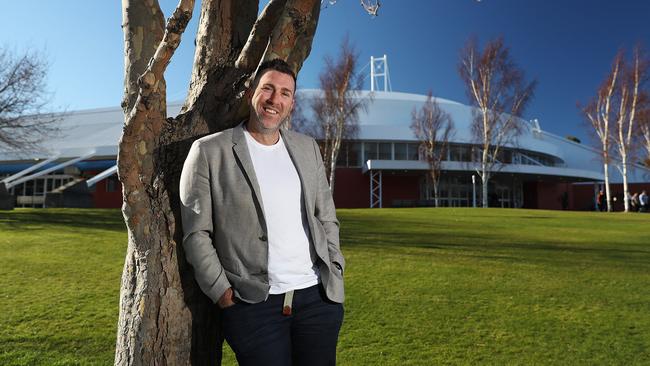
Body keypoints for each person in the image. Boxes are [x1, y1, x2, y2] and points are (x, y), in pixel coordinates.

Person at [179, 59, 345, 366]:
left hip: (316, 300)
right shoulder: (209, 152)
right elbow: (196, 233)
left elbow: (326, 216)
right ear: (250, 92)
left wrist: (334, 266)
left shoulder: (308, 149)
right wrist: (222, 293)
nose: (274, 100)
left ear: (291, 103)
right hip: (253, 306)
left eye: (284, 93)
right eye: (267, 88)